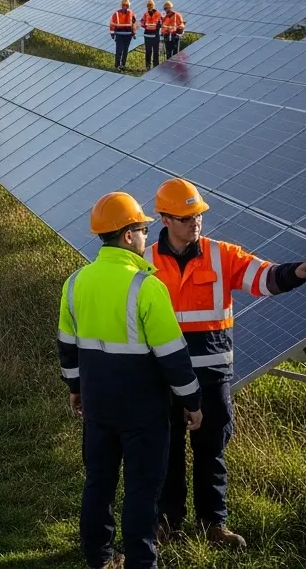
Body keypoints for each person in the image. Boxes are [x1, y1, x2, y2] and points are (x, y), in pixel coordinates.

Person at [148, 178, 306, 548]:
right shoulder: (143, 262)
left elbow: (264, 277)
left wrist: (295, 272)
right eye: (185, 217)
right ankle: (167, 523)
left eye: (198, 215)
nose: (194, 222)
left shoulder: (221, 254)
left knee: (211, 452)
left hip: (211, 377)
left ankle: (214, 525)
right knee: (167, 451)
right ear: (164, 219)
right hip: (162, 379)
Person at [59, 192, 202, 569]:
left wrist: (76, 390)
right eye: (142, 230)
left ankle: (98, 559)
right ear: (127, 236)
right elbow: (174, 356)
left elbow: (67, 348)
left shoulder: (76, 282)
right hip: (144, 413)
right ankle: (141, 562)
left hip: (98, 405)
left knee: (98, 485)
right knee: (141, 491)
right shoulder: (146, 286)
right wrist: (193, 401)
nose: (145, 238)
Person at [109, 0, 137, 72]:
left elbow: (134, 23)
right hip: (120, 34)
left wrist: (134, 32)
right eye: (124, 5)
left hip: (128, 35)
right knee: (119, 50)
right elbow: (112, 24)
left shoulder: (131, 13)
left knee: (125, 50)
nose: (125, 7)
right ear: (122, 5)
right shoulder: (116, 14)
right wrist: (112, 33)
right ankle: (117, 65)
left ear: (128, 6)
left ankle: (122, 65)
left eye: (127, 5)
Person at [141, 0, 163, 70]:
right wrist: (146, 27)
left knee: (156, 51)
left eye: (150, 5)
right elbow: (142, 22)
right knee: (148, 51)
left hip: (155, 34)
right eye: (148, 6)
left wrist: (158, 27)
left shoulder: (158, 13)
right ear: (147, 6)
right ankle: (148, 67)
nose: (149, 7)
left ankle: (156, 66)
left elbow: (162, 21)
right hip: (147, 35)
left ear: (153, 6)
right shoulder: (146, 14)